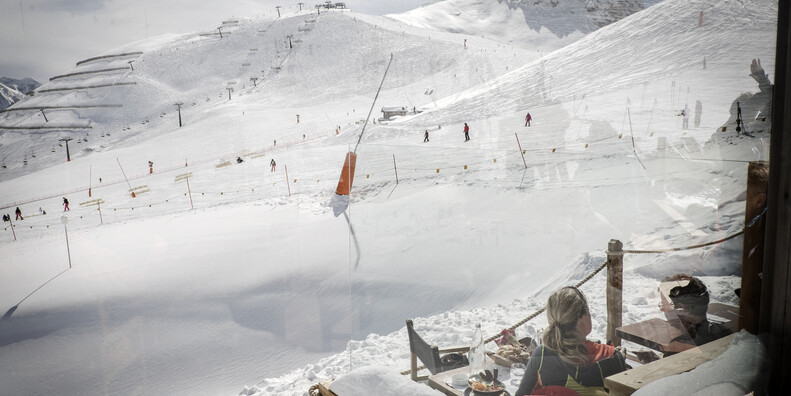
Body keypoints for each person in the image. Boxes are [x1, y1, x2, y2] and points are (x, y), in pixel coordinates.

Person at [516, 286, 628, 396]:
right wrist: (620, 359)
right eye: (588, 311)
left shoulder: (542, 354)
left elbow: (521, 393)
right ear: (581, 319)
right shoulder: (611, 356)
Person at [658, 274, 733, 349]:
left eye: (664, 304)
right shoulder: (724, 332)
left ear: (682, 308)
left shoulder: (679, 346)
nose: (662, 309)